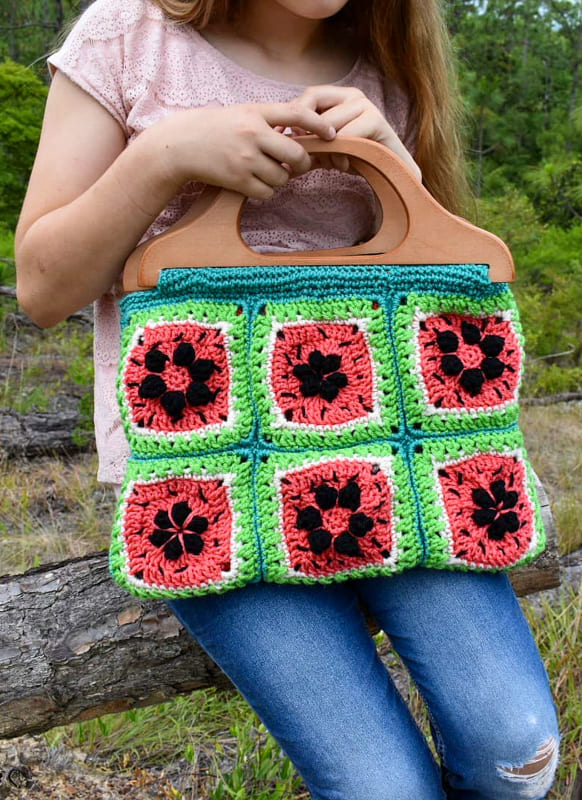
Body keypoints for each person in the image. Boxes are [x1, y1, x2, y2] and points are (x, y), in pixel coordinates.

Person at [15, 1, 561, 797]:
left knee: (518, 752)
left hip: (408, 465)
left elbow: (444, 272)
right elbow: (42, 288)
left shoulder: (388, 46)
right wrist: (163, 157)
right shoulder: (130, 35)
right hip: (209, 476)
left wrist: (397, 170)